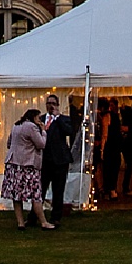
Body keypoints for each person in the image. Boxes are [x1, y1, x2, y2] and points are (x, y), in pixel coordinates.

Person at [1, 107, 53, 229]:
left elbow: (9, 143)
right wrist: (44, 131)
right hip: (27, 165)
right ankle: (44, 222)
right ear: (33, 117)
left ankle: (20, 222)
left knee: (16, 195)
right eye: (38, 117)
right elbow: (41, 144)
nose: (40, 120)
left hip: (13, 164)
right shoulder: (31, 127)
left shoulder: (16, 126)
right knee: (35, 194)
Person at [41, 94, 77, 223]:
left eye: (53, 103)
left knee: (58, 190)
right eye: (48, 103)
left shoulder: (64, 119)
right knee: (40, 190)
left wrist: (57, 117)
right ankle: (36, 216)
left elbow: (69, 131)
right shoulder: (40, 119)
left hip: (60, 161)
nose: (50, 105)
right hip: (45, 161)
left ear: (57, 105)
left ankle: (56, 217)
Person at [95, 97, 125, 200]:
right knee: (114, 169)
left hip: (109, 146)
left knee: (108, 169)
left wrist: (102, 149)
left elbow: (105, 135)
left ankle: (109, 191)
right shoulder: (115, 116)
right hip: (116, 145)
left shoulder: (106, 117)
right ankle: (113, 190)